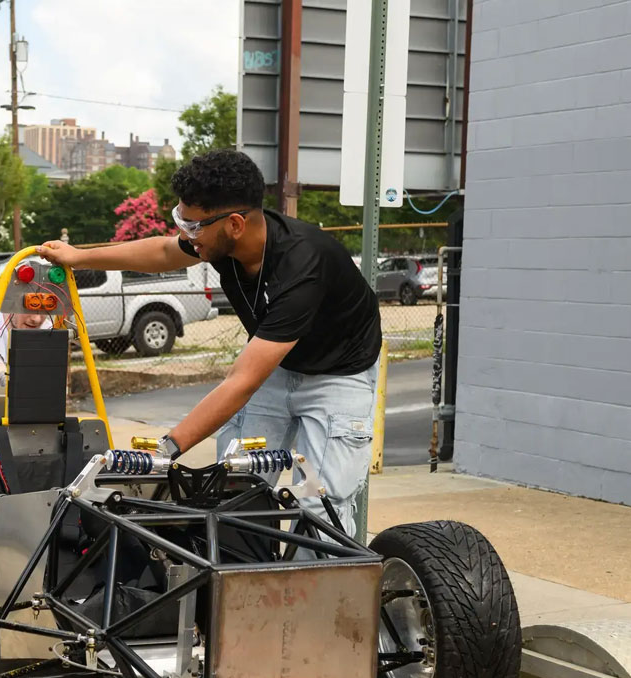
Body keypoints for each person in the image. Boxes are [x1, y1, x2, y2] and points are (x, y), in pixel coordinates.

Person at [38, 148, 382, 534]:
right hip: (279, 366)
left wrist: (166, 448)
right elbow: (164, 250)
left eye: (194, 225)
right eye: (181, 220)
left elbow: (241, 382)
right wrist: (79, 257)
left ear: (235, 223)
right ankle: (244, 588)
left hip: (339, 376)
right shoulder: (218, 239)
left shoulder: (301, 267)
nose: (187, 234)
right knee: (235, 492)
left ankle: (319, 592)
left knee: (319, 507)